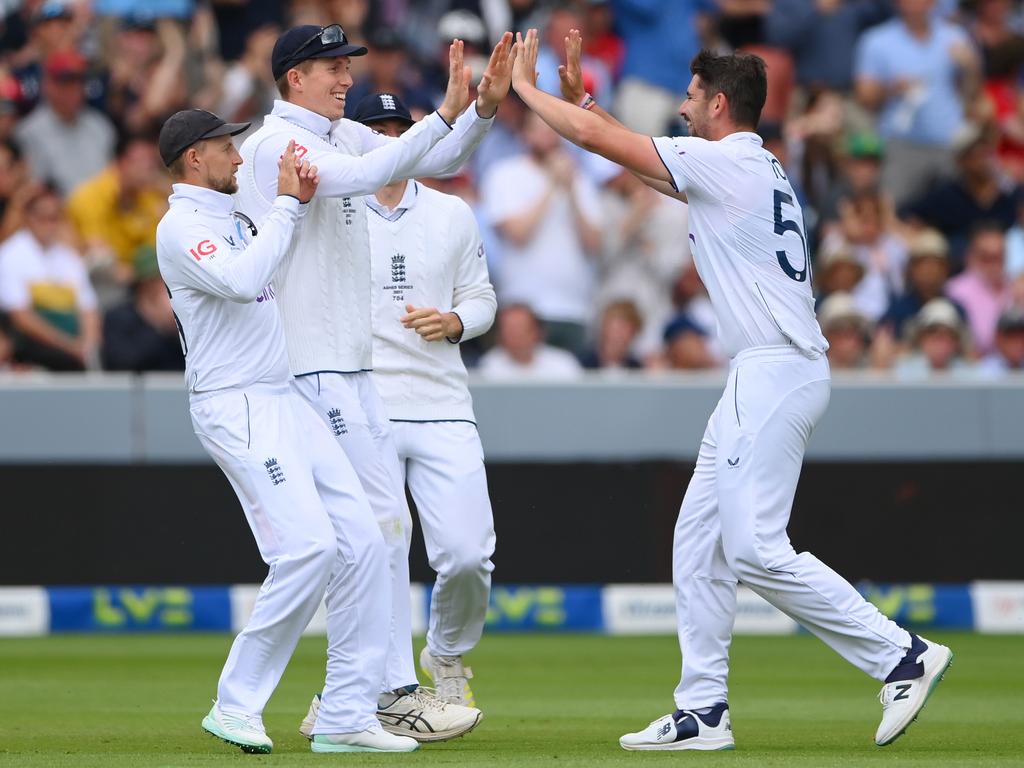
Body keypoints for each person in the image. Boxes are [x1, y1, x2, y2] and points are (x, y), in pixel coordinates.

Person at [509, 28, 953, 750]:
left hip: (774, 368)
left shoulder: (727, 164)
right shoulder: (752, 165)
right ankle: (703, 709)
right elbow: (638, 162)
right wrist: (580, 101)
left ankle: (900, 655)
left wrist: (524, 92)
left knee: (752, 549)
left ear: (718, 103)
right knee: (700, 540)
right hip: (773, 370)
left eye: (689, 97)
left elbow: (602, 143)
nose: (682, 108)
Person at [235, 24, 514, 741]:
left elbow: (433, 159)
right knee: (370, 537)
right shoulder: (275, 145)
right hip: (311, 367)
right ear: (293, 76)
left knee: (378, 536)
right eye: (331, 67)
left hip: (350, 369)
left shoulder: (339, 136)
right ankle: (372, 695)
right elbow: (365, 177)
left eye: (345, 65)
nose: (345, 78)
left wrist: (479, 109)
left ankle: (357, 701)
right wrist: (444, 115)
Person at [155, 109, 414, 755]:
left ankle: (348, 715)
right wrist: (289, 207)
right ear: (194, 158)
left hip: (283, 394)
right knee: (306, 549)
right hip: (236, 406)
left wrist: (288, 204)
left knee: (361, 540)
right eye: (225, 148)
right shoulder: (181, 226)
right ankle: (235, 704)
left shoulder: (236, 213)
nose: (238, 158)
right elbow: (244, 281)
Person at [358, 91, 497, 706]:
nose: (389, 140)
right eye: (376, 129)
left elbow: (483, 299)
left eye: (398, 129)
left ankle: (446, 654)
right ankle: (382, 684)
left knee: (469, 555)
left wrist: (456, 321)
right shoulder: (330, 213)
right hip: (366, 404)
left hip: (443, 400)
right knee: (381, 549)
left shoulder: (452, 214)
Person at [0, 184, 100, 371]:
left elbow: (88, 309)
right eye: (42, 217)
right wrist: (69, 346)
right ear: (28, 218)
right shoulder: (9, 255)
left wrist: (87, 345)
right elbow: (21, 317)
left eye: (54, 218)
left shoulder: (69, 258)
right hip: (32, 350)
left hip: (73, 351)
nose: (49, 224)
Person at [100, 245, 183, 372]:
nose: (161, 285)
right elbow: (121, 362)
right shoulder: (117, 317)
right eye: (155, 280)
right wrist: (158, 324)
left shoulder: (179, 313)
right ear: (142, 284)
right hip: (134, 389)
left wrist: (177, 325)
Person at [477, 303, 584, 380]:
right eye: (509, 330)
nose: (515, 335)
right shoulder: (489, 365)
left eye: (521, 329)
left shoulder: (564, 363)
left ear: (538, 332)